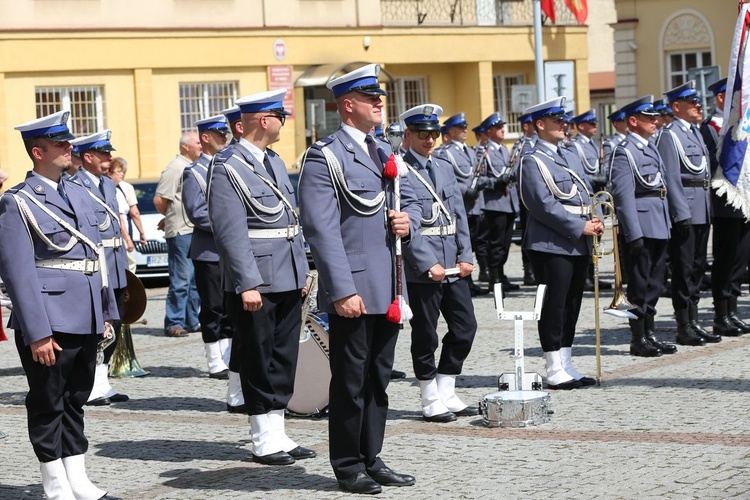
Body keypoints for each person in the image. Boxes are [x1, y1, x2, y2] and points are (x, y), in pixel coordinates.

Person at [299, 63, 418, 494]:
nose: (380, 103)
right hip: (355, 286)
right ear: (348, 105)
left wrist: (409, 223)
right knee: (350, 381)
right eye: (371, 98)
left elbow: (403, 207)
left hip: (388, 285)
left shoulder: (381, 150)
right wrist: (342, 288)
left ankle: (372, 455)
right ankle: (348, 465)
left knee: (378, 377)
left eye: (380, 97)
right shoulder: (325, 156)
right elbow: (322, 230)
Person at [0, 110, 118, 499]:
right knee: (49, 400)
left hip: (84, 313)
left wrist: (105, 313)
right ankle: (54, 483)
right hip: (49, 318)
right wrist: (37, 333)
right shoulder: (17, 202)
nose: (70, 148)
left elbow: (94, 257)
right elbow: (18, 274)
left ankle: (77, 478)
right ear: (38, 151)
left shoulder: (79, 192)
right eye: (61, 144)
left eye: (68, 142)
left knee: (76, 398)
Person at [208, 88, 314, 465]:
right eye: (280, 117)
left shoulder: (273, 160)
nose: (283, 123)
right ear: (263, 120)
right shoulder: (227, 165)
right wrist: (246, 283)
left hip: (286, 273)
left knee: (284, 356)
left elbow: (291, 221)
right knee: (257, 355)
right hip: (257, 279)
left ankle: (278, 430)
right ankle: (261, 437)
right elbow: (230, 232)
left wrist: (302, 269)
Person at [399, 104, 478, 423]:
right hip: (425, 266)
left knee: (465, 326)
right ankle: (429, 396)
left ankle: (447, 387)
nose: (430, 139)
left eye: (434, 133)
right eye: (423, 134)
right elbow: (405, 225)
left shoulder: (443, 166)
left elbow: (458, 215)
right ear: (408, 135)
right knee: (425, 334)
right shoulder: (400, 170)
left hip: (453, 263)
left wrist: (466, 255)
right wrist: (425, 262)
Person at [518, 97, 603, 390]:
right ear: (540, 125)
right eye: (557, 121)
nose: (563, 125)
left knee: (572, 304)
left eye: (564, 120)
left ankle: (567, 362)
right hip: (551, 243)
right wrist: (580, 226)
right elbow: (541, 205)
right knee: (554, 305)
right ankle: (553, 366)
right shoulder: (532, 160)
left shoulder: (568, 155)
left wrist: (597, 218)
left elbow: (585, 191)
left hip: (578, 240)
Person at [609, 96, 677, 357]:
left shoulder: (651, 147)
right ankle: (638, 339)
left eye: (655, 117)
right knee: (639, 286)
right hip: (642, 226)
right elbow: (624, 196)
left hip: (658, 222)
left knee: (655, 283)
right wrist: (633, 233)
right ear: (634, 121)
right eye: (649, 118)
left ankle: (649, 333)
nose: (655, 121)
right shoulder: (625, 151)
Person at [71, 130, 131, 406]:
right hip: (97, 265)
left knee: (115, 323)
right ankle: (89, 384)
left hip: (115, 262)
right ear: (88, 157)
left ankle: (102, 382)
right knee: (97, 326)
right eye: (104, 154)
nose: (109, 158)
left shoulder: (108, 184)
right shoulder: (74, 185)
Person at [656, 81, 718, 345]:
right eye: (692, 103)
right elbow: (671, 177)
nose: (698, 106)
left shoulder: (693, 132)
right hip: (686, 210)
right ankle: (683, 325)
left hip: (701, 206)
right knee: (683, 268)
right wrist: (681, 214)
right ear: (676, 107)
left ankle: (694, 321)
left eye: (698, 102)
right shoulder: (670, 135)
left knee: (697, 268)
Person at [182, 115, 236, 384]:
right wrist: (230, 225)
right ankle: (214, 359)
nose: (224, 139)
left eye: (225, 134)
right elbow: (197, 213)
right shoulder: (194, 172)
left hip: (231, 250)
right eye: (219, 134)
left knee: (229, 306)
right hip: (210, 250)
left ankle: (227, 356)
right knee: (213, 306)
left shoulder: (228, 166)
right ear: (205, 137)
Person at [701, 78, 749, 336]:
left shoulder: (743, 124)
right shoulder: (710, 127)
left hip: (743, 200)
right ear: (722, 98)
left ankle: (732, 310)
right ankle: (721, 314)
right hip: (724, 203)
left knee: (740, 259)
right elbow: (711, 163)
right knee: (725, 258)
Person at [434, 112, 489, 296]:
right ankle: (465, 281)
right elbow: (446, 179)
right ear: (451, 131)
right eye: (461, 128)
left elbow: (476, 176)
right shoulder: (446, 152)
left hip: (473, 206)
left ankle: (470, 280)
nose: (465, 130)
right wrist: (466, 190)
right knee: (461, 245)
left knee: (472, 244)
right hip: (461, 206)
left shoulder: (470, 151)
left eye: (465, 127)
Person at [154, 132, 201, 337]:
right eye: (197, 142)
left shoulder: (191, 166)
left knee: (194, 281)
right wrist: (171, 216)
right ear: (185, 147)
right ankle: (174, 322)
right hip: (181, 230)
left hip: (192, 229)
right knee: (181, 280)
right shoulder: (175, 168)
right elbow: (159, 200)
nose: (201, 145)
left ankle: (192, 321)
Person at [476, 112, 520, 292]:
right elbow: (478, 179)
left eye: (503, 127)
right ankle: (494, 279)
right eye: (499, 128)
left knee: (505, 243)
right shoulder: (483, 151)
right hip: (494, 204)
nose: (503, 130)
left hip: (508, 202)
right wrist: (495, 182)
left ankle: (501, 275)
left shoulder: (503, 150)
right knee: (496, 243)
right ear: (489, 131)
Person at [510, 113, 538, 286]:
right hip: (528, 199)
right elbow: (514, 172)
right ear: (525, 126)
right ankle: (529, 271)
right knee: (529, 235)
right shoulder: (520, 146)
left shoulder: (540, 143)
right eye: (531, 123)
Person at [110, 157, 146, 273]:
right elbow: (123, 216)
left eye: (123, 171)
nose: (122, 174)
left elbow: (134, 212)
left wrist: (141, 233)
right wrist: (128, 239)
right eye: (119, 171)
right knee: (129, 266)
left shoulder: (122, 188)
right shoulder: (114, 189)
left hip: (121, 234)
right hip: (121, 235)